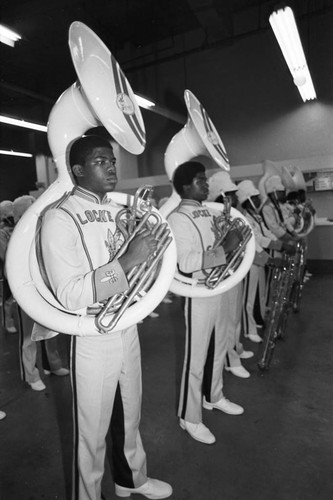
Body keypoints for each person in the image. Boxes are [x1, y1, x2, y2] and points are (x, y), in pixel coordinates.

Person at [39, 135, 172, 500]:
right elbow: (69, 293)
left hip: (127, 321)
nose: (111, 167)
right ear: (78, 170)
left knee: (130, 410)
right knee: (91, 429)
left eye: (112, 160)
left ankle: (131, 479)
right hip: (92, 332)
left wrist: (147, 253)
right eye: (101, 161)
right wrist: (129, 260)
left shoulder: (117, 210)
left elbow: (136, 263)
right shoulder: (58, 218)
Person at [167, 161, 244, 446]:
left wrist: (228, 242)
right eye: (201, 180)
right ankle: (190, 416)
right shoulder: (178, 218)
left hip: (220, 286)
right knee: (195, 358)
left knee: (220, 344)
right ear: (186, 186)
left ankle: (214, 395)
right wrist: (226, 247)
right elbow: (186, 263)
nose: (207, 184)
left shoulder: (207, 212)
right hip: (199, 292)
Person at [11, 195, 70, 391]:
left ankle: (53, 365)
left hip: (44, 289)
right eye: (31, 205)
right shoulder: (15, 234)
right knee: (28, 337)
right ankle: (30, 375)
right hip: (25, 290)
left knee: (50, 330)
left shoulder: (42, 228)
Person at [207, 171, 253, 376]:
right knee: (225, 322)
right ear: (221, 196)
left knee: (234, 317)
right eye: (230, 194)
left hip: (235, 270)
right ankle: (230, 360)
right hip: (222, 274)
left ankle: (235, 349)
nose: (234, 198)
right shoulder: (213, 216)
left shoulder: (232, 215)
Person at [236, 180, 284, 343]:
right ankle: (249, 330)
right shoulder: (244, 218)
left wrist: (279, 244)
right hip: (250, 261)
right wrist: (269, 256)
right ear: (247, 199)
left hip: (259, 258)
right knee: (248, 298)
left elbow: (263, 235)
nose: (258, 200)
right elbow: (254, 240)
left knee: (260, 292)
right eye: (255, 197)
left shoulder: (254, 216)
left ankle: (259, 318)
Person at [0, 200, 16, 333]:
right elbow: (3, 252)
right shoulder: (2, 232)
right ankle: (7, 321)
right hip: (8, 268)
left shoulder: (17, 226)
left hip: (19, 267)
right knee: (8, 298)